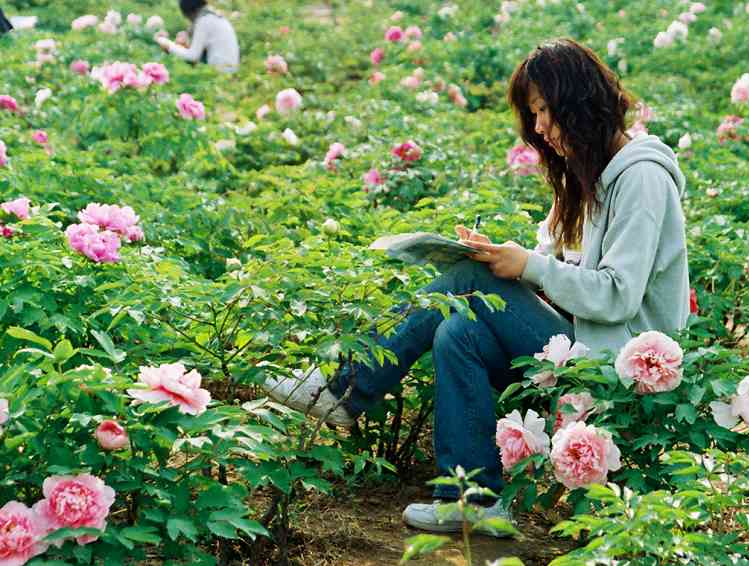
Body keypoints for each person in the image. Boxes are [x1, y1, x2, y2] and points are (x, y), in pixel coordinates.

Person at [264, 38, 689, 534]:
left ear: (579, 103)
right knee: (458, 331)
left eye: (546, 110)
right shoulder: (592, 178)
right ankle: (471, 499)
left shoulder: (640, 179)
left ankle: (342, 388)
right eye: (533, 114)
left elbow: (616, 295)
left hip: (617, 368)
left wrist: (527, 267)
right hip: (585, 345)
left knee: (467, 282)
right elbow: (569, 276)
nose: (540, 128)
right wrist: (507, 261)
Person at [156, 0, 239, 73]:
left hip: (219, 72)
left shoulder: (204, 20)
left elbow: (193, 56)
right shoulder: (214, 17)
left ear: (190, 12)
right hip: (230, 70)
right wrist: (183, 45)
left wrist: (168, 44)